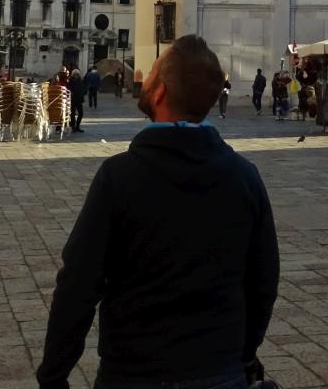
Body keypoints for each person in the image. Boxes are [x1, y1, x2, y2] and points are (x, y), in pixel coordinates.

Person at [37, 35, 279, 389]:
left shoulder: (118, 178)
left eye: (150, 74)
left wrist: (53, 377)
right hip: (220, 370)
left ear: (161, 91)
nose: (143, 80)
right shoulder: (245, 177)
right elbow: (263, 281)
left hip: (133, 373)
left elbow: (78, 286)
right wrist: (242, 353)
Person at [69, 67, 86, 133]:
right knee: (72, 114)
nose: (76, 75)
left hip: (79, 100)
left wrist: (84, 93)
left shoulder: (80, 80)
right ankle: (73, 127)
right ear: (73, 75)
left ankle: (77, 126)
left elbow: (82, 88)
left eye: (77, 74)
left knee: (80, 113)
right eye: (75, 74)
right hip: (73, 99)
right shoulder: (70, 80)